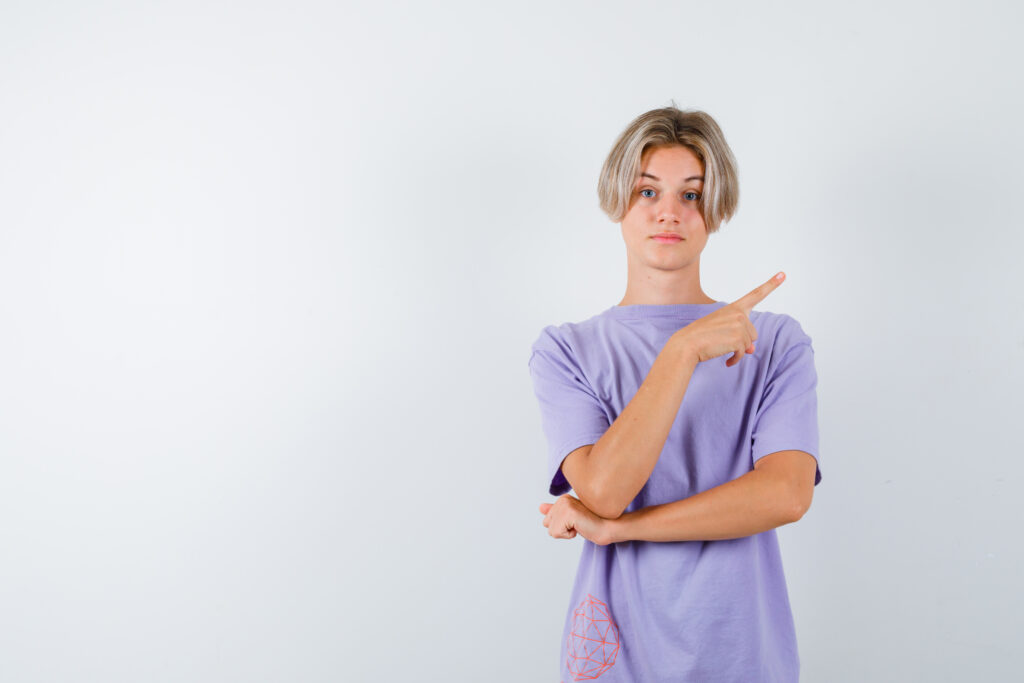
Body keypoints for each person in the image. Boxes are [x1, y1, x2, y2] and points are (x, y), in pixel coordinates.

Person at [527, 105, 821, 682]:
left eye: (690, 195)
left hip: (743, 653)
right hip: (616, 656)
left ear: (715, 209)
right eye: (646, 192)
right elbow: (607, 491)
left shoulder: (777, 342)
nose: (668, 213)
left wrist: (622, 529)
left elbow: (786, 496)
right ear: (618, 202)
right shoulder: (565, 351)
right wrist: (682, 351)